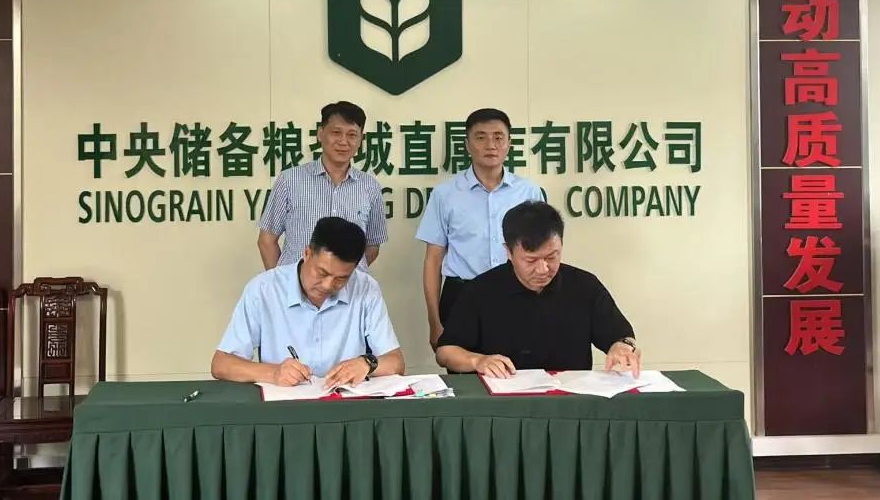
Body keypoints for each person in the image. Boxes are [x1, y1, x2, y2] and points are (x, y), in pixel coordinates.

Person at [435, 201, 641, 377]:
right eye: (531, 260)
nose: (543, 269)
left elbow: (621, 335)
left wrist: (622, 347)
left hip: (570, 399)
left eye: (552, 257)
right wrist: (477, 361)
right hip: (503, 402)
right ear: (508, 252)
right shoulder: (481, 290)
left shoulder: (584, 286)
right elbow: (445, 352)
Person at [212, 216, 404, 388]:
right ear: (307, 253)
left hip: (345, 406)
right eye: (322, 273)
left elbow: (396, 362)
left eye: (341, 278)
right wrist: (274, 373)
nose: (328, 285)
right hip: (284, 408)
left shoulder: (366, 288)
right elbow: (221, 364)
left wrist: (367, 363)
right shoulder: (264, 289)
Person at [416, 108, 544, 348]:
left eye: (498, 137)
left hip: (517, 294)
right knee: (462, 368)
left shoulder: (528, 193)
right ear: (467, 144)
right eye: (481, 137)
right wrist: (434, 322)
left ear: (509, 144)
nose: (491, 145)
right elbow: (433, 260)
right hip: (461, 296)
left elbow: (541, 254)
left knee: (519, 368)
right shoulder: (445, 194)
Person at [257, 101, 388, 272]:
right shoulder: (290, 180)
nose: (343, 141)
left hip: (349, 287)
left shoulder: (370, 187)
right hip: (298, 287)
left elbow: (372, 246)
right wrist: (285, 282)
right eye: (336, 132)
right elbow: (266, 241)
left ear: (361, 139)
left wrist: (340, 276)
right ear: (320, 134)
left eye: (352, 135)